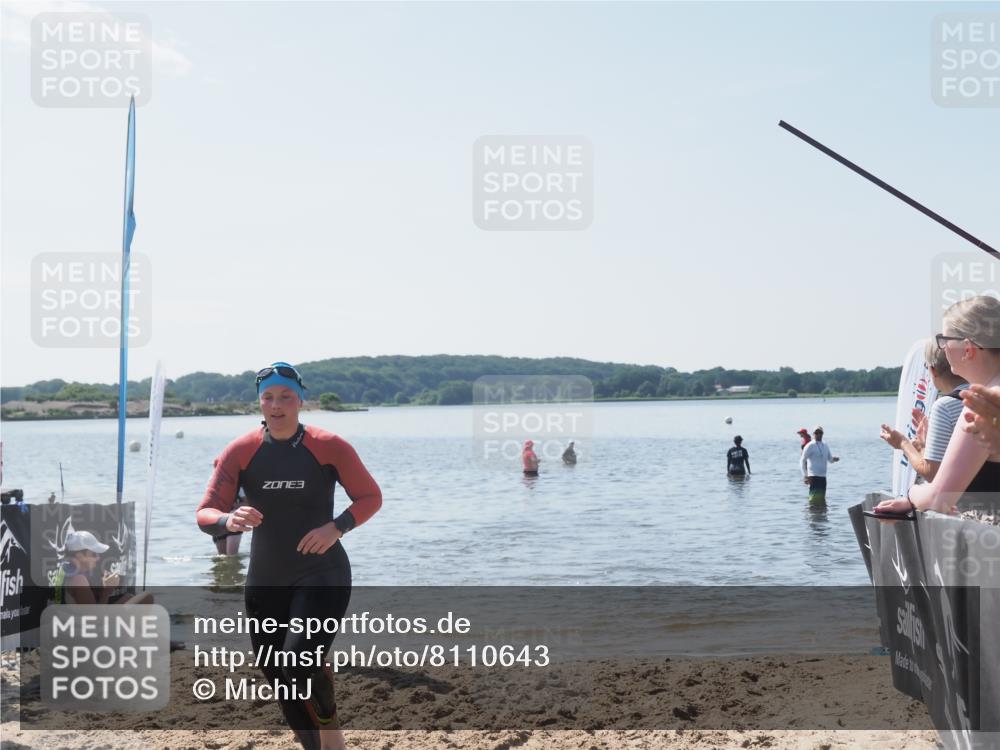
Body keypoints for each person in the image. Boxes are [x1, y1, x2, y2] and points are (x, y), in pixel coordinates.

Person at [196, 362, 382, 750]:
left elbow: (370, 497)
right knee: (277, 673)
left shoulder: (329, 445)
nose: (276, 405)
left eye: (285, 396)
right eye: (268, 397)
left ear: (300, 401)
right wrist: (229, 519)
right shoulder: (241, 451)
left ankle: (330, 729)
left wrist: (336, 527)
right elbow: (205, 513)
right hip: (266, 578)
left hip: (322, 571)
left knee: (296, 662)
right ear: (259, 402)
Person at [876, 296, 1000, 517]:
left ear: (968, 349)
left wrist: (911, 494)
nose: (942, 348)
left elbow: (939, 498)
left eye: (944, 340)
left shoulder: (981, 404)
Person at [879, 337, 968, 481]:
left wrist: (903, 443)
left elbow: (931, 473)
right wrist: (923, 447)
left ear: (932, 371)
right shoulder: (988, 394)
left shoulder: (944, 406)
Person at [210, 458, 244, 556]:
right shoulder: (212, 482)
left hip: (234, 519)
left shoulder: (238, 482)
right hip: (218, 520)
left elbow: (247, 503)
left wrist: (231, 506)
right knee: (222, 556)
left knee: (232, 555)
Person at [800, 426, 839, 502]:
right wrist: (805, 476)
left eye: (820, 432)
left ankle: (821, 510)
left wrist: (834, 459)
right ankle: (812, 510)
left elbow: (830, 460)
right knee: (813, 500)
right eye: (816, 433)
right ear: (813, 434)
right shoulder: (810, 445)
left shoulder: (825, 445)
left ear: (822, 434)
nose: (818, 434)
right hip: (813, 477)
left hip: (823, 477)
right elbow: (802, 460)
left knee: (821, 500)